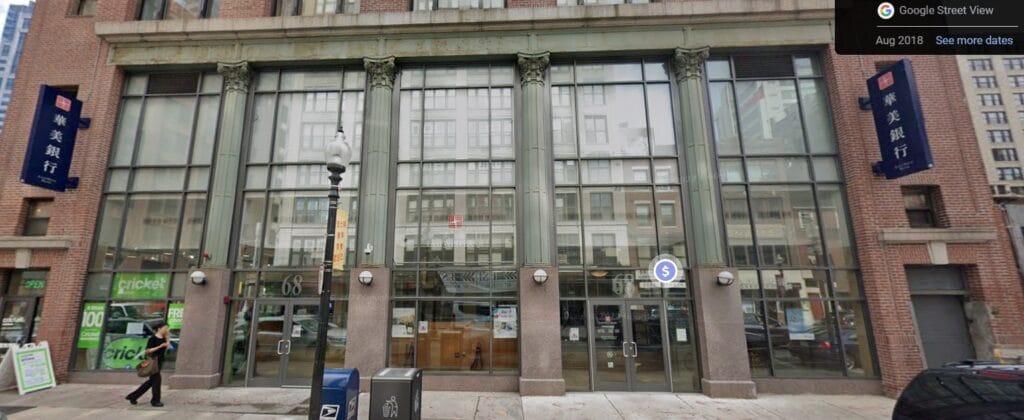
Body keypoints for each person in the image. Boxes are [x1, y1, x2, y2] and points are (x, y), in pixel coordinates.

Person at [126, 320, 170, 407]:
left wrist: (168, 339)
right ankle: (155, 401)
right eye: (165, 328)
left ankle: (133, 396)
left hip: (159, 362)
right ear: (159, 329)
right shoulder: (153, 339)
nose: (167, 330)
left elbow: (167, 348)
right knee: (157, 381)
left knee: (151, 382)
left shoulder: (164, 338)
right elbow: (147, 351)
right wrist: (159, 346)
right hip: (153, 362)